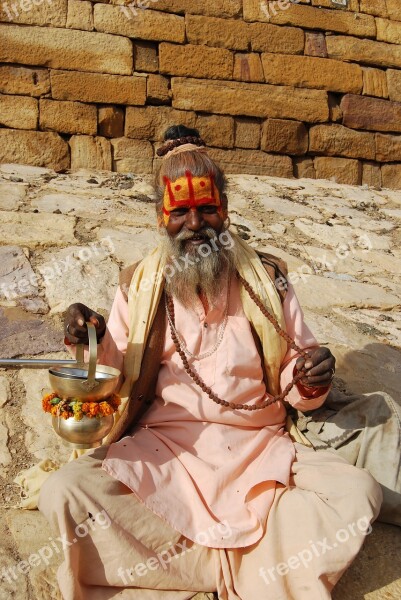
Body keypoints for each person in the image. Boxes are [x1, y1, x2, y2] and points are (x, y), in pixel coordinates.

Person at [38, 125, 383, 600]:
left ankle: (186, 565)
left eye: (207, 209)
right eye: (180, 212)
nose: (195, 224)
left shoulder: (268, 279)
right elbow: (113, 374)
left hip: (260, 451)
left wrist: (309, 375)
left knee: (357, 494)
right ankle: (252, 569)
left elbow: (297, 373)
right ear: (162, 217)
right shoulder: (139, 284)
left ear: (225, 208)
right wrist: (89, 338)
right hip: (166, 451)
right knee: (66, 494)